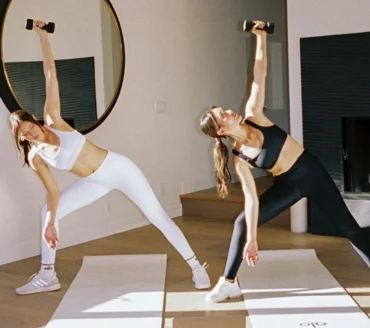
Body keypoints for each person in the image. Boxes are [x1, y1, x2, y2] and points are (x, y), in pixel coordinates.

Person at [9, 20, 210, 295]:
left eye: (30, 127)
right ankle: (47, 276)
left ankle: (197, 267)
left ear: (34, 120)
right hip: (93, 182)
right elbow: (53, 191)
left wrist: (43, 37)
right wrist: (50, 224)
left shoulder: (53, 119)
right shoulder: (35, 157)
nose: (31, 134)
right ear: (21, 138)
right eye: (25, 135)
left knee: (158, 217)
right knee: (47, 213)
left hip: (118, 168)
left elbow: (50, 76)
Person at [199, 21, 370, 303]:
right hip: (288, 184)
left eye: (225, 109)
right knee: (242, 222)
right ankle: (228, 281)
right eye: (223, 115)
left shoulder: (255, 114)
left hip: (311, 172)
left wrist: (261, 37)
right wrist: (253, 238)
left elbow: (259, 74)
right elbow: (252, 201)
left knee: (349, 228)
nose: (229, 111)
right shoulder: (241, 158)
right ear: (221, 130)